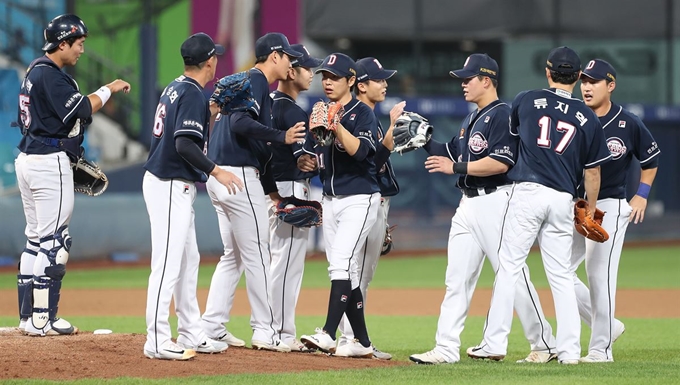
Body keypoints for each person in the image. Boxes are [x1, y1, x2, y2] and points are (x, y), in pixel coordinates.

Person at [407, 54, 557, 365]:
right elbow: (446, 153)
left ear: (486, 80)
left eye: (468, 78)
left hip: (497, 201)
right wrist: (424, 139)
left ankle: (544, 343)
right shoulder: (471, 117)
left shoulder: (502, 114)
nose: (463, 84)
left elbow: (502, 162)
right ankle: (446, 347)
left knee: (511, 273)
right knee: (457, 278)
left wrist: (457, 167)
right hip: (468, 204)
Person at [466, 47, 612, 364]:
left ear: (548, 73)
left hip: (528, 192)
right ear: (577, 77)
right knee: (560, 276)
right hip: (562, 198)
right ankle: (571, 352)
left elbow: (519, 138)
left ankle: (494, 344)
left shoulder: (527, 100)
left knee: (509, 268)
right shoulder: (588, 116)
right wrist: (589, 208)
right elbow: (594, 171)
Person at [15, 14, 130, 336]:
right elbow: (79, 110)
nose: (81, 50)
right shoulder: (51, 76)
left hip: (29, 157)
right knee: (55, 241)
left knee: (36, 239)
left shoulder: (34, 71)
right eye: (78, 44)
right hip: (49, 161)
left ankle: (27, 317)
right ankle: (43, 319)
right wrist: (107, 88)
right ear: (62, 43)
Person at [200, 32, 305, 353]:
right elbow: (241, 124)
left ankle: (212, 325)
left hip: (219, 175)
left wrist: (272, 193)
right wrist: (282, 136)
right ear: (274, 56)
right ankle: (265, 331)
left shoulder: (247, 82)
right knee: (259, 253)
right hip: (237, 174)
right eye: (287, 56)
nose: (290, 62)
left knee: (233, 256)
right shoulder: (258, 80)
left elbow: (256, 144)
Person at [143, 32, 240, 360]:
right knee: (168, 264)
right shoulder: (192, 94)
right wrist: (217, 171)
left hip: (168, 181)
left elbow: (179, 135)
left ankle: (191, 332)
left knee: (188, 261)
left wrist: (208, 111)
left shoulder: (177, 87)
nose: (217, 62)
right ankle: (156, 339)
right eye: (216, 57)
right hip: (170, 184)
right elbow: (184, 144)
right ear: (209, 62)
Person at [569, 59, 659, 362]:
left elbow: (651, 160)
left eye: (593, 81)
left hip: (608, 206)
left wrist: (642, 195)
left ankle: (600, 350)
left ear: (611, 86)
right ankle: (608, 326)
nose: (586, 87)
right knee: (560, 270)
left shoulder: (627, 122)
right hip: (577, 205)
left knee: (599, 277)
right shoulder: (575, 117)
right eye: (583, 81)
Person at [299, 53, 381, 358]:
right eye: (324, 76)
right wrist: (304, 159)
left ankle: (328, 333)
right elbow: (309, 155)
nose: (327, 82)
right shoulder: (321, 111)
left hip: (360, 199)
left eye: (334, 77)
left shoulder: (363, 114)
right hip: (330, 200)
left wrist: (336, 126)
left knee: (341, 264)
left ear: (351, 81)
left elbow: (361, 153)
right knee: (351, 272)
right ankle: (362, 342)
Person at [336, 56, 405, 360]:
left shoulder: (367, 117)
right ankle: (351, 338)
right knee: (357, 274)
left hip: (373, 203)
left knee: (356, 272)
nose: (385, 84)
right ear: (361, 85)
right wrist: (391, 130)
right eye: (379, 80)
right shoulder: (362, 118)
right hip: (365, 201)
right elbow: (371, 166)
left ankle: (349, 336)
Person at [267, 44, 323, 353]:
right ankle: (280, 334)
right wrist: (317, 151)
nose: (311, 73)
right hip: (288, 188)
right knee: (287, 265)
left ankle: (268, 329)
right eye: (306, 68)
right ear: (291, 72)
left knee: (273, 262)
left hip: (267, 188)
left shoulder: (267, 103)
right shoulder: (292, 110)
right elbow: (305, 161)